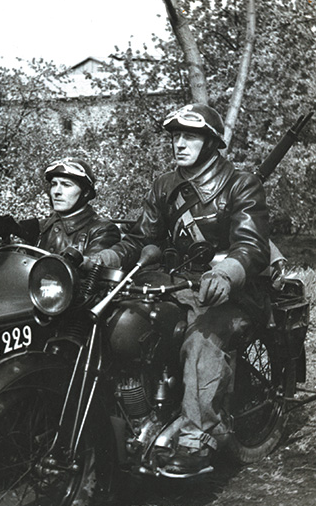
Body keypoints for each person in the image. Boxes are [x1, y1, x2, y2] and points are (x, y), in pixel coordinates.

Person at [91, 103, 271, 478]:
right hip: (173, 285)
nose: (179, 143)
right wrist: (110, 254)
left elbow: (251, 245)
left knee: (201, 342)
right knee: (119, 324)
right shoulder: (164, 185)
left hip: (232, 293)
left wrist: (225, 272)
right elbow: (143, 238)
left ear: (211, 142)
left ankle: (197, 436)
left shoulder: (241, 183)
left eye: (189, 135)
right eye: (175, 136)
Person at [15, 157, 121, 256]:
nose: (57, 192)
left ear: (86, 193)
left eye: (66, 185)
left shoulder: (102, 231)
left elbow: (91, 270)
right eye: (54, 184)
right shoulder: (41, 227)